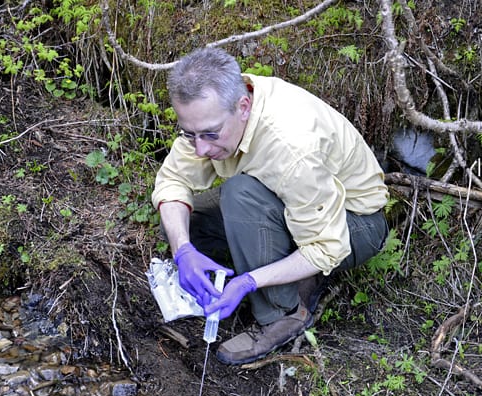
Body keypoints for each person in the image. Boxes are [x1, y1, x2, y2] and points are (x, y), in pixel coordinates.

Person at [151, 47, 389, 365]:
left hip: (354, 224)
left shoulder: (291, 148)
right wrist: (183, 250)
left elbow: (327, 247)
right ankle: (283, 264)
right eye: (190, 134)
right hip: (294, 201)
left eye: (210, 134)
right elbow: (173, 182)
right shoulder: (217, 111)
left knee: (239, 195)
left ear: (244, 107)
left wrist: (248, 281)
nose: (201, 148)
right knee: (183, 225)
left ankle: (284, 313)